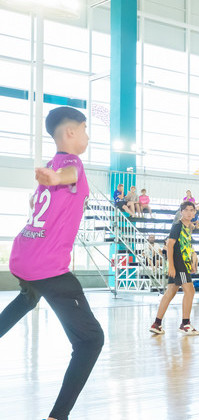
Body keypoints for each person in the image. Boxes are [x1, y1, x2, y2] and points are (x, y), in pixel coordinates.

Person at [0, 106, 104, 420]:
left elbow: (44, 197)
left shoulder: (51, 165)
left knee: (28, 297)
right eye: (85, 129)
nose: (87, 136)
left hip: (23, 256)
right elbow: (70, 176)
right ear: (71, 132)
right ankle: (57, 417)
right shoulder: (71, 165)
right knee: (91, 340)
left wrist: (49, 180)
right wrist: (58, 178)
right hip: (47, 265)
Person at [149, 201, 199, 336]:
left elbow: (185, 247)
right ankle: (185, 323)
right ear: (181, 212)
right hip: (179, 264)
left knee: (170, 292)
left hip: (184, 263)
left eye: (192, 210)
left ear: (194, 213)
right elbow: (170, 245)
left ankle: (157, 324)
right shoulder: (177, 226)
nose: (189, 213)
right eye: (186, 210)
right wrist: (171, 265)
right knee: (190, 290)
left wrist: (191, 263)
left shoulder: (188, 227)